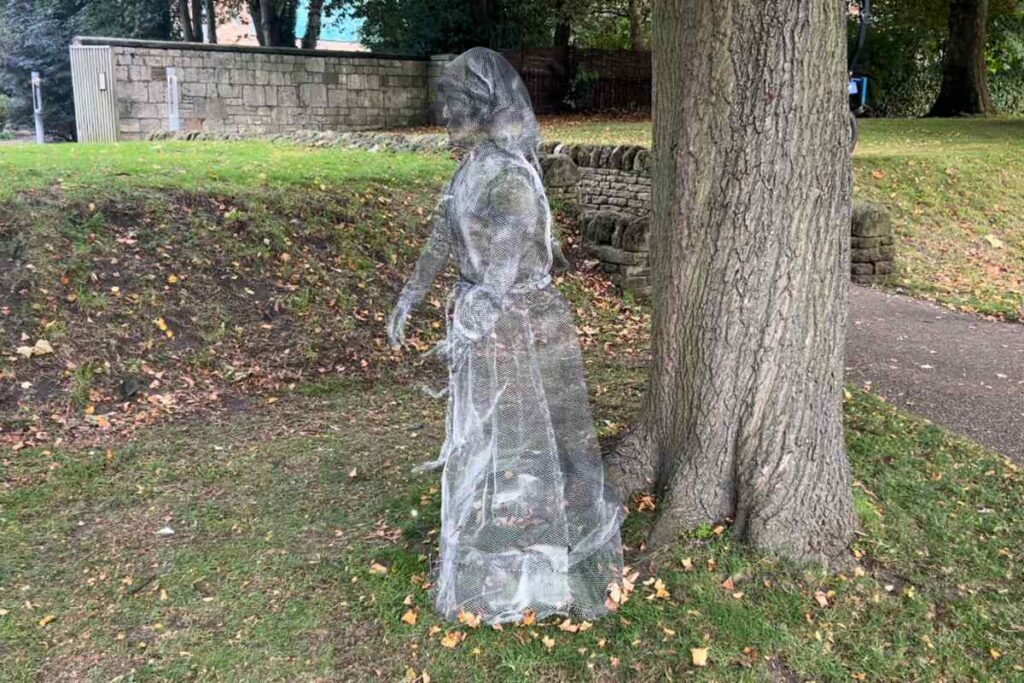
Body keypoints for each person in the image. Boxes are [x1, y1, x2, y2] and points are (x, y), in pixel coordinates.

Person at [387, 47, 623, 625]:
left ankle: (538, 554)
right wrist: (410, 297)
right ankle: (491, 524)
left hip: (520, 324)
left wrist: (466, 329)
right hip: (484, 320)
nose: (443, 113)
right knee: (485, 432)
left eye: (452, 103)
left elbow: (503, 270)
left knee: (527, 430)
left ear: (481, 105)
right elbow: (442, 239)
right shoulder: (469, 170)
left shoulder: (513, 179)